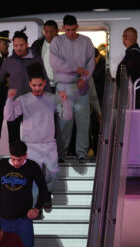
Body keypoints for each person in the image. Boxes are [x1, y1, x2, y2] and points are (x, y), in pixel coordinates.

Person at [4, 62, 72, 209]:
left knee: (54, 173)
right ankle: (36, 206)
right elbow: (9, 117)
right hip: (30, 145)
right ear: (29, 84)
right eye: (34, 85)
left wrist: (66, 101)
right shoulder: (23, 99)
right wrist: (9, 100)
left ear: (45, 83)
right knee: (33, 179)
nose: (37, 88)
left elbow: (66, 117)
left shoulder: (52, 98)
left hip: (49, 144)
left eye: (40, 85)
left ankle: (46, 193)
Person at [0, 28, 50, 144]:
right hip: (14, 104)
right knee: (13, 138)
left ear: (27, 44)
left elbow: (45, 79)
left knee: (34, 135)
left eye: (21, 45)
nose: (18, 48)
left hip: (32, 103)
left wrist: (48, 101)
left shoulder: (36, 59)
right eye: (16, 45)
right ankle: (16, 160)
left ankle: (34, 160)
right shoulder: (9, 61)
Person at [50, 14, 95, 163]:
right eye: (68, 30)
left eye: (73, 29)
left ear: (77, 27)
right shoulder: (57, 41)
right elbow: (55, 63)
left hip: (81, 87)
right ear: (63, 28)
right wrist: (77, 69)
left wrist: (84, 78)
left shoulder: (86, 42)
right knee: (64, 122)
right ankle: (61, 154)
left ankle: (81, 153)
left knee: (83, 121)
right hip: (63, 87)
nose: (70, 33)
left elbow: (90, 64)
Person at [0, 140, 48, 247]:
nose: (16, 163)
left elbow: (44, 188)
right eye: (13, 159)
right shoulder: (0, 165)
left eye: (20, 160)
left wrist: (36, 209)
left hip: (24, 220)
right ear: (10, 155)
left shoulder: (33, 166)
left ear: (25, 155)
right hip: (4, 219)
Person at [116, 27, 140, 109]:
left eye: (123, 37)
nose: (122, 39)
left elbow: (128, 74)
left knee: (133, 121)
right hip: (137, 95)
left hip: (134, 97)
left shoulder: (133, 54)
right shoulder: (137, 52)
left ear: (125, 37)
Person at [31, 20, 59, 93]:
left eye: (51, 32)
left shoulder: (65, 44)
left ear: (57, 31)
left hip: (61, 85)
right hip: (43, 85)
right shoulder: (37, 45)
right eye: (46, 32)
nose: (49, 35)